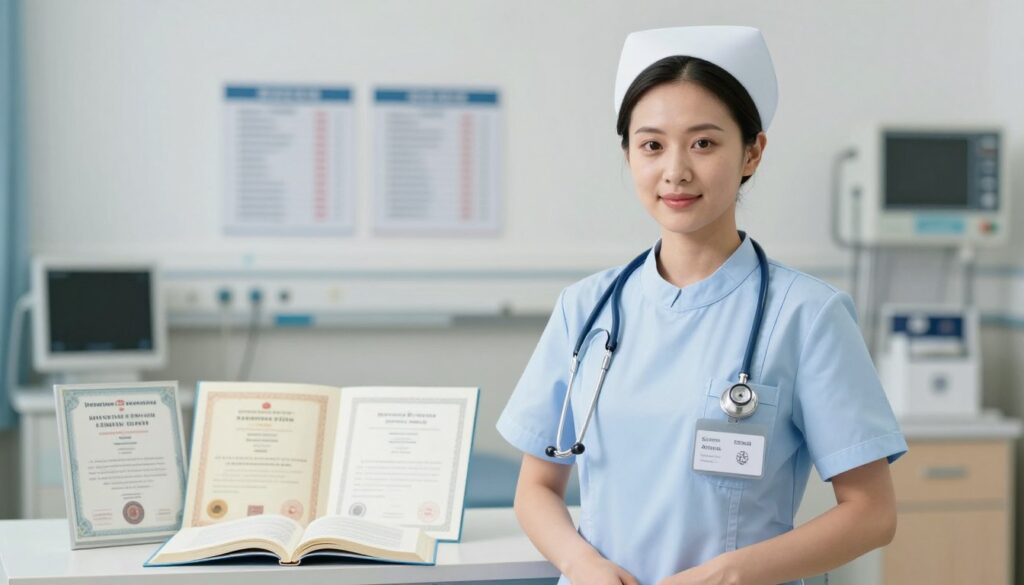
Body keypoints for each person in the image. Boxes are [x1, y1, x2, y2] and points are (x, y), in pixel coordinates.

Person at [496, 26, 907, 585]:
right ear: (628, 154)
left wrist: (730, 574)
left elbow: (872, 514)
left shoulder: (807, 316)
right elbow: (537, 487)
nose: (676, 171)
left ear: (752, 152)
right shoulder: (585, 308)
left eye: (704, 144)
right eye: (652, 145)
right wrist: (580, 563)